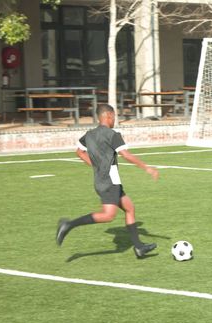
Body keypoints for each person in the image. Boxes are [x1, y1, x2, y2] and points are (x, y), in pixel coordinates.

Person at [56, 103, 160, 258]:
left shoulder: (89, 134)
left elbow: (79, 152)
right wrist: (147, 168)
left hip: (102, 180)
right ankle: (69, 225)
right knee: (108, 215)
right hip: (110, 182)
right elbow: (126, 155)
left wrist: (96, 166)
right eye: (115, 116)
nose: (115, 119)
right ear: (109, 115)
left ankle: (139, 247)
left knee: (129, 208)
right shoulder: (113, 134)